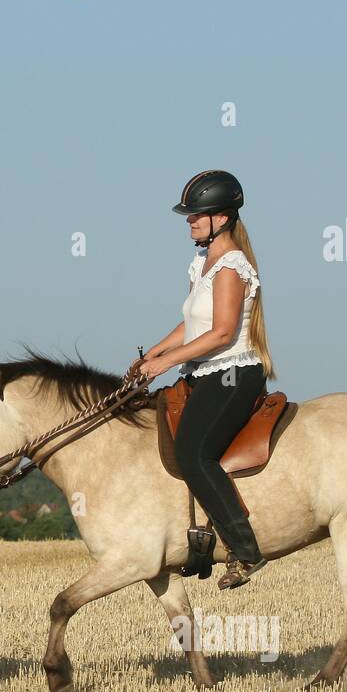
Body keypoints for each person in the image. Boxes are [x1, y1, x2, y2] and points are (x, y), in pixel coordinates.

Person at [133, 170, 275, 590]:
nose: (190, 221)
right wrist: (155, 353)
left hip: (233, 373)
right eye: (190, 215)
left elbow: (221, 333)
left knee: (194, 451)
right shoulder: (202, 264)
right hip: (204, 370)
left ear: (223, 218)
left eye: (198, 215)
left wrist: (167, 362)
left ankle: (246, 550)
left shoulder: (231, 266)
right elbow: (192, 325)